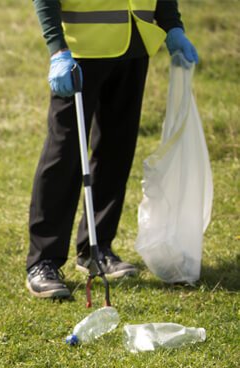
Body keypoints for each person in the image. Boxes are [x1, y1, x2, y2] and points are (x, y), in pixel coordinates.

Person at [26, 0, 198, 299]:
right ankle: (44, 261)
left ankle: (97, 249)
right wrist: (57, 49)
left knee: (117, 150)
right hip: (80, 52)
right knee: (64, 154)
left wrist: (172, 26)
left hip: (135, 46)